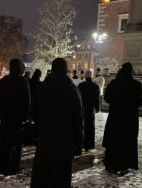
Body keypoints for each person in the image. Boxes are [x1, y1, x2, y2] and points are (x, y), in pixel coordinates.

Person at [31, 58, 83, 188]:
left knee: (43, 172)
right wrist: (79, 141)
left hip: (45, 137)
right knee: (61, 175)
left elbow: (34, 113)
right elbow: (78, 117)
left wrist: (35, 134)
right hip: (65, 139)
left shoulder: (42, 87)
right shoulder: (72, 88)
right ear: (66, 70)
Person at [102, 62, 142, 175]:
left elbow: (107, 97)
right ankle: (125, 164)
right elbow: (141, 101)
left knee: (114, 141)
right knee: (127, 141)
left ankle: (111, 164)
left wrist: (116, 102)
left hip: (115, 117)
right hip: (130, 119)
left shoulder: (114, 83)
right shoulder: (136, 85)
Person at [0, 58, 31, 175]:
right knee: (14, 143)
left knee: (3, 141)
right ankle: (10, 167)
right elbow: (26, 101)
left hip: (5, 116)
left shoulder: (4, 80)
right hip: (17, 117)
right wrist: (25, 116)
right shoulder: (22, 81)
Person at [78, 70, 100, 151]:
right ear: (91, 76)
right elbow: (96, 99)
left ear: (85, 76)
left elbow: (78, 98)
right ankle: (89, 145)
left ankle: (82, 143)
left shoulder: (81, 86)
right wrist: (97, 108)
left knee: (82, 126)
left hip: (82, 109)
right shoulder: (95, 86)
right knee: (90, 127)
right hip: (90, 109)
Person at [26, 69, 42, 146]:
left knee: (30, 121)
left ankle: (29, 137)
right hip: (37, 105)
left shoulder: (29, 81)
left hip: (30, 104)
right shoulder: (40, 84)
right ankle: (35, 138)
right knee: (36, 123)